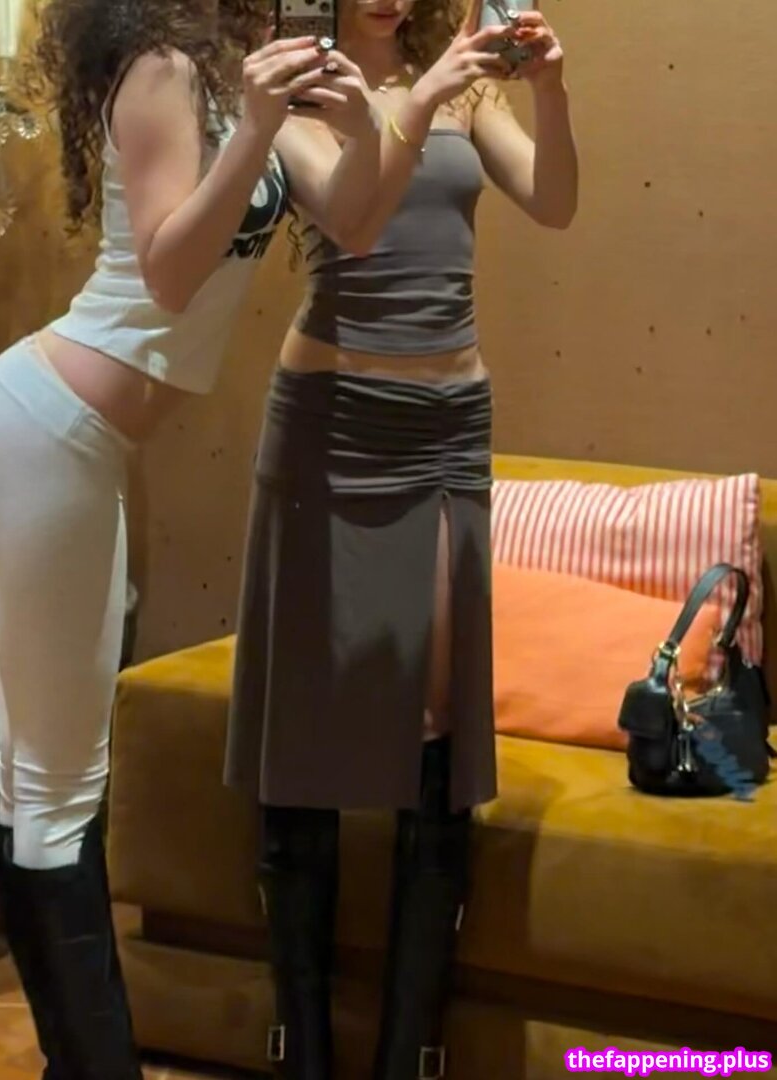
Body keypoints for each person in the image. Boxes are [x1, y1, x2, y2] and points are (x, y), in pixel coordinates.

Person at [0, 0, 402, 1076]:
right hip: (45, 426)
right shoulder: (163, 68)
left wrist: (370, 121)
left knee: (47, 772)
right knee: (55, 782)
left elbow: (356, 220)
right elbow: (167, 271)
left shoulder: (236, 69)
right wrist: (254, 127)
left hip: (84, 442)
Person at [223, 0, 579, 1076]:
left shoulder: (462, 82)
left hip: (447, 425)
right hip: (333, 422)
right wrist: (419, 99)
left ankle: (408, 1054)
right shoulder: (298, 87)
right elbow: (351, 223)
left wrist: (550, 91)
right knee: (308, 718)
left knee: (434, 718)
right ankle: (303, 1050)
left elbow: (555, 202)